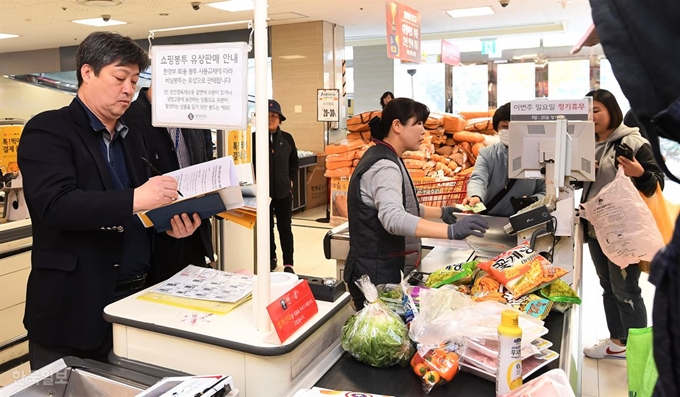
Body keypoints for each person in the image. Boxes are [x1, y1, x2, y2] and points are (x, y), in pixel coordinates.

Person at [17, 31, 201, 370]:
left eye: (134, 80)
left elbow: (139, 215)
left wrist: (169, 229)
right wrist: (136, 197)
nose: (129, 90)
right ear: (88, 73)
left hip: (136, 302)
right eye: (120, 78)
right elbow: (56, 205)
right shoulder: (49, 130)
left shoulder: (132, 138)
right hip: (73, 310)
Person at [343, 97, 490, 310]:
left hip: (383, 271)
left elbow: (404, 207)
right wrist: (450, 231)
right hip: (376, 276)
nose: (423, 131)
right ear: (397, 126)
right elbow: (393, 218)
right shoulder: (385, 166)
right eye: (418, 124)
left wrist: (443, 211)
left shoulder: (388, 157)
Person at [580, 89, 664, 360]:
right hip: (595, 229)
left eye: (596, 110)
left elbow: (656, 183)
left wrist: (638, 173)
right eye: (587, 111)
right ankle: (618, 341)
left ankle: (638, 350)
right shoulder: (584, 143)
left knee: (626, 289)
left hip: (623, 231)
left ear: (611, 110)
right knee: (607, 285)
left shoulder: (632, 141)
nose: (591, 116)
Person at [123, 85, 215, 284]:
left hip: (196, 237)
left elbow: (204, 164)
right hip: (154, 251)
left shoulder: (194, 119)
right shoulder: (128, 119)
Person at [462, 102, 546, 216]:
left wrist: (531, 201)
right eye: (505, 127)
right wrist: (475, 196)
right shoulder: (487, 154)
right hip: (489, 219)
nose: (510, 132)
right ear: (497, 129)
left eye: (515, 127)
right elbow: (478, 178)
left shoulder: (538, 156)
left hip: (522, 221)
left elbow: (545, 191)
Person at [253, 99, 299, 273]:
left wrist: (291, 180)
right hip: (263, 194)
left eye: (274, 116)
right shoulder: (254, 139)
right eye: (267, 116)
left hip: (283, 192)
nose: (270, 119)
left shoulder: (287, 139)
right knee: (266, 228)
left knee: (285, 227)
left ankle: (289, 263)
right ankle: (271, 258)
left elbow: (294, 162)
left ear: (280, 119)